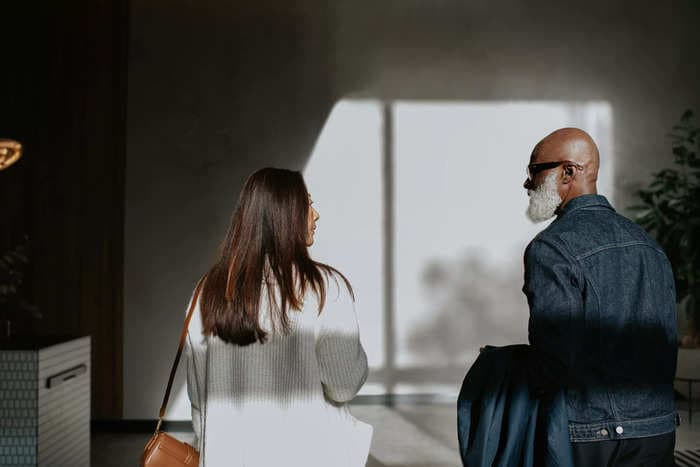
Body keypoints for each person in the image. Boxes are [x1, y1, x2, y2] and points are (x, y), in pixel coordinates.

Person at [184, 167, 372, 467]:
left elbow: (199, 399)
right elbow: (344, 385)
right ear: (286, 216)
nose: (316, 214)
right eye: (308, 203)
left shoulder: (205, 291)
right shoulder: (324, 288)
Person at [522, 128, 678, 466]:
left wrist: (506, 368)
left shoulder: (551, 248)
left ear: (568, 172)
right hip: (658, 428)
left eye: (535, 170)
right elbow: (665, 339)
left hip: (591, 434)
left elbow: (555, 356)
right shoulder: (649, 245)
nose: (527, 183)